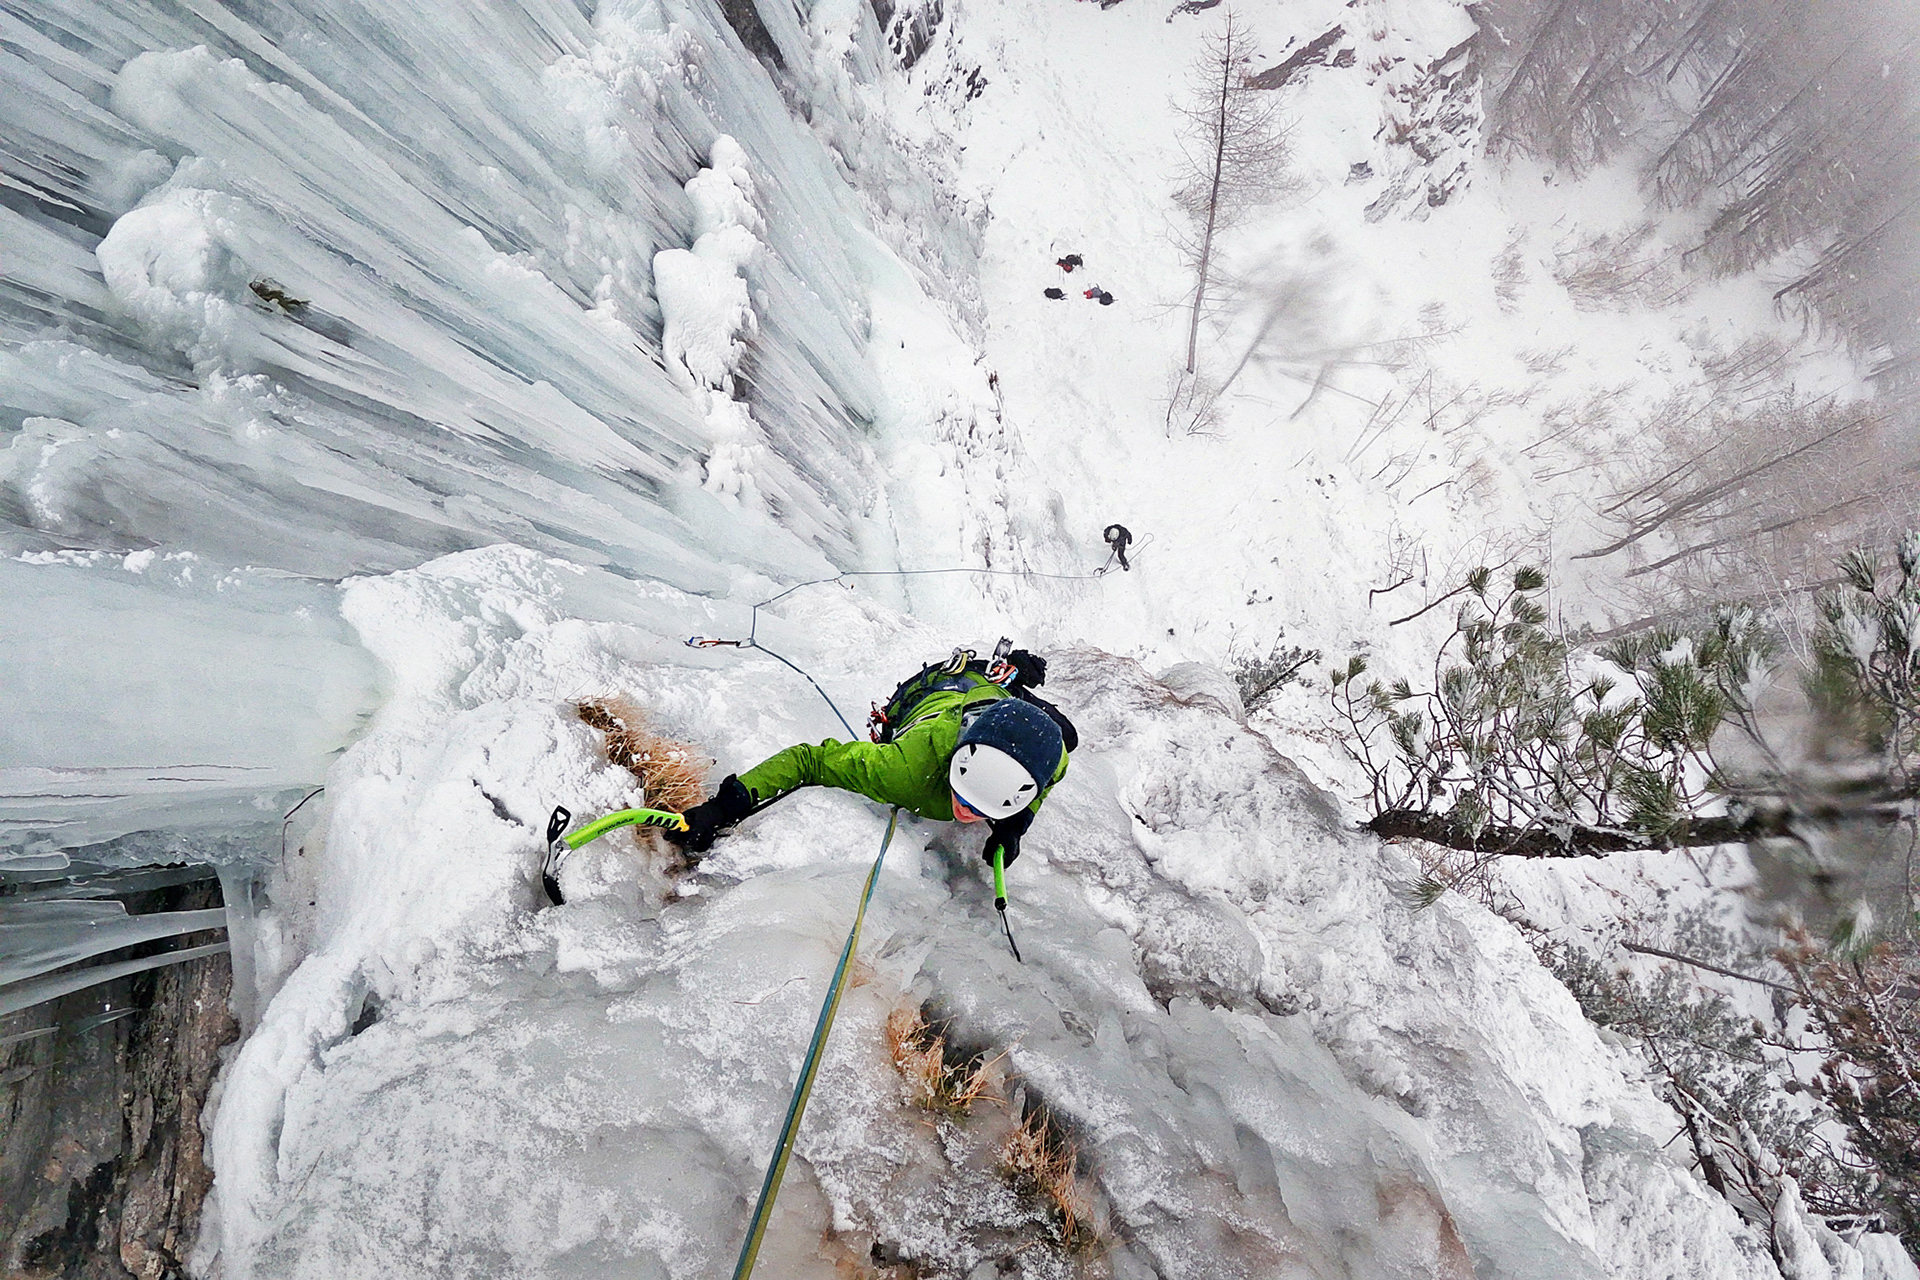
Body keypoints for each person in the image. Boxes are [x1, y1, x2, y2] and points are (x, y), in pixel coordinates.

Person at [666, 647, 1077, 869]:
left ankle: (1011, 682)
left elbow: (1045, 779)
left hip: (993, 706)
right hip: (943, 693)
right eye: (964, 796)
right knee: (991, 685)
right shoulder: (903, 769)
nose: (965, 813)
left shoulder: (1051, 757)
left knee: (1068, 735)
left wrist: (1015, 824)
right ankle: (1001, 676)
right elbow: (810, 761)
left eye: (978, 806)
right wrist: (726, 805)